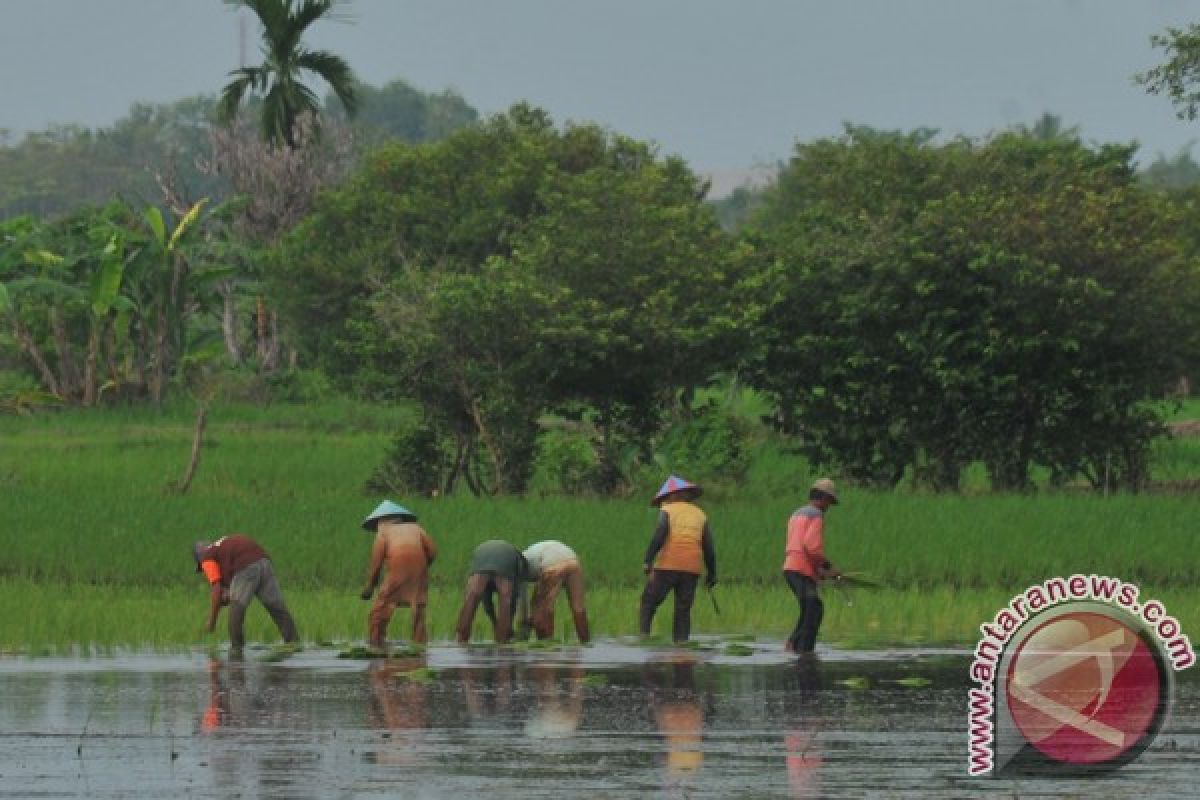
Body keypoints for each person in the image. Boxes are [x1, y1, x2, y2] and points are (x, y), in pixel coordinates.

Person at [639, 475, 717, 643]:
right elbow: (709, 547)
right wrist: (712, 574)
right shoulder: (700, 514)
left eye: (666, 497)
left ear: (672, 496)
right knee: (683, 610)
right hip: (692, 567)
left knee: (648, 602)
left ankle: (643, 638)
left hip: (668, 564)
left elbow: (660, 534)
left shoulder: (668, 510)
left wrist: (648, 560)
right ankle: (681, 645)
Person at [193, 534, 298, 650]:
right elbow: (233, 586)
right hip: (264, 561)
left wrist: (212, 621)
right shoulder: (222, 547)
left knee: (236, 610)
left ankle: (237, 652)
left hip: (246, 566)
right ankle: (294, 643)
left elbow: (217, 590)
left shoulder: (207, 558)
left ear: (200, 557)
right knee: (277, 608)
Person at [359, 500, 438, 647]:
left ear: (381, 521)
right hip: (419, 575)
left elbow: (376, 565)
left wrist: (369, 586)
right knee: (419, 610)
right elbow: (432, 551)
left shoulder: (383, 532)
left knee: (379, 611)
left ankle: (376, 644)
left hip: (397, 571)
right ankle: (420, 646)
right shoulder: (417, 528)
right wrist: (421, 568)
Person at [782, 478, 842, 654]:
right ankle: (804, 652)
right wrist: (828, 566)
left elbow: (799, 545)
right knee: (813, 609)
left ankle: (793, 645)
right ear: (823, 498)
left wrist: (818, 570)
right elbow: (811, 546)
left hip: (791, 568)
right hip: (800, 569)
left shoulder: (796, 514)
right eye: (829, 502)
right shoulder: (816, 514)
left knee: (810, 608)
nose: (828, 506)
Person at [455, 539, 530, 644]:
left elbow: (486, 601)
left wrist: (494, 621)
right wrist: (506, 624)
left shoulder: (517, 559)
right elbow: (512, 600)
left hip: (481, 554)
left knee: (471, 600)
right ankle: (503, 642)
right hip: (505, 558)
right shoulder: (520, 563)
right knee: (505, 601)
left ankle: (460, 640)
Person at [521, 540, 590, 643]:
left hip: (551, 563)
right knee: (578, 608)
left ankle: (547, 647)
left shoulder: (517, 568)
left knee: (543, 609)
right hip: (573, 560)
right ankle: (586, 643)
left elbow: (525, 608)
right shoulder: (528, 556)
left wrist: (526, 624)